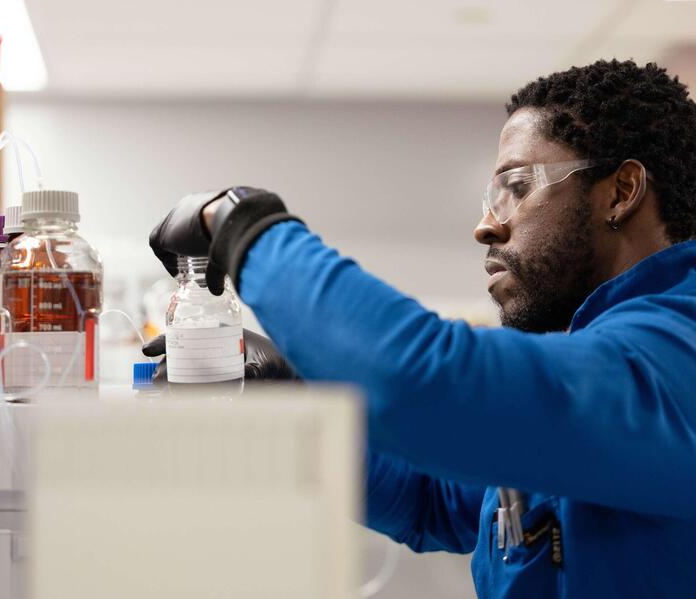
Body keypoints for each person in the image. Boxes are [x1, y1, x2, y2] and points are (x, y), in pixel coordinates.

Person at [145, 59, 696, 598]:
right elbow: (430, 495)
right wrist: (296, 390)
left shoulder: (677, 357)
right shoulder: (603, 357)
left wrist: (244, 226)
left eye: (519, 186)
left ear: (621, 192)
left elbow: (422, 382)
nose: (486, 225)